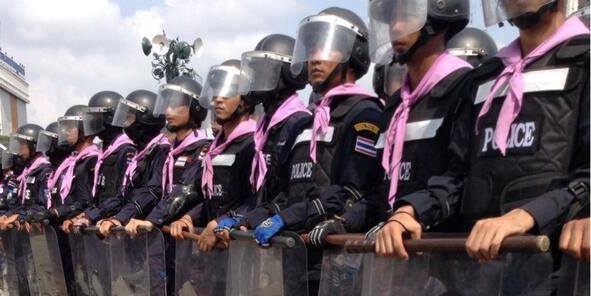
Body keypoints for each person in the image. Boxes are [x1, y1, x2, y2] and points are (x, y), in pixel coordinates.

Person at [376, 0, 590, 260]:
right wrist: (410, 212)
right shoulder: (483, 78)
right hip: (481, 274)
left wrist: (529, 215)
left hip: (556, 268)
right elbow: (457, 177)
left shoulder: (585, 60)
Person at [250, 7, 383, 251]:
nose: (315, 58)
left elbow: (353, 192)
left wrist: (289, 218)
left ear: (354, 52)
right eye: (311, 50)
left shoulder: (364, 114)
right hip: (296, 247)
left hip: (338, 250)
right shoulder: (304, 123)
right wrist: (250, 219)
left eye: (326, 47)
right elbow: (284, 192)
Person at [353, 0, 473, 239]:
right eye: (391, 19)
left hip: (443, 257)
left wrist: (413, 212)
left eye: (407, 16)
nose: (396, 27)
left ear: (439, 18)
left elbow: (464, 177)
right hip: (393, 257)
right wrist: (343, 220)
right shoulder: (394, 106)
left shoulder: (467, 87)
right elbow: (377, 186)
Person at [213, 34, 312, 241]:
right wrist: (240, 217)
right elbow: (262, 194)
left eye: (262, 71)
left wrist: (257, 218)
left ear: (288, 72)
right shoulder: (266, 128)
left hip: (291, 240)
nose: (253, 79)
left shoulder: (299, 123)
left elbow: (295, 193)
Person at [169, 60, 256, 252]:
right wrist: (188, 218)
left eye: (228, 92)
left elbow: (256, 201)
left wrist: (222, 222)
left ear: (245, 98)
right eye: (216, 92)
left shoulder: (253, 143)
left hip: (242, 247)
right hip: (214, 247)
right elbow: (210, 199)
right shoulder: (217, 147)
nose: (218, 99)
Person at [124, 75, 211, 235]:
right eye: (167, 104)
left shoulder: (204, 149)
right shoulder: (165, 151)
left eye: (176, 104)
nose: (168, 111)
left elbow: (186, 191)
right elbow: (153, 189)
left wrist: (152, 220)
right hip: (165, 233)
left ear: (195, 108)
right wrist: (120, 217)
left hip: (190, 237)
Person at [96, 90, 171, 236]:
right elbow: (123, 194)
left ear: (144, 120)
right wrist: (91, 215)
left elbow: (152, 191)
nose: (124, 124)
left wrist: (120, 218)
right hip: (133, 230)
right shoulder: (141, 153)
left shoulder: (162, 151)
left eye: (129, 118)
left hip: (151, 234)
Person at [64, 91, 136, 231]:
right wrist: (84, 215)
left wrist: (92, 215)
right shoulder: (106, 153)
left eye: (95, 117)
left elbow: (122, 194)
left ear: (110, 118)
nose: (90, 122)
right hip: (101, 223)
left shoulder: (126, 150)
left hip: (115, 227)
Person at [0, 124, 52, 230]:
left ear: (33, 146)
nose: (19, 149)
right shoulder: (27, 172)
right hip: (24, 229)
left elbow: (44, 204)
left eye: (22, 144)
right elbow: (21, 204)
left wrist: (20, 216)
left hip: (38, 230)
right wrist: (6, 216)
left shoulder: (44, 170)